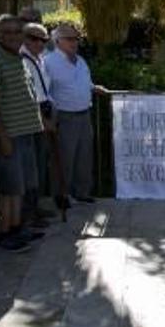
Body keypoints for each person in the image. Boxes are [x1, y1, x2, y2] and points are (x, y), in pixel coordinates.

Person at [0, 15, 45, 253]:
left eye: (17, 32)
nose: (12, 36)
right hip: (9, 137)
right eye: (6, 32)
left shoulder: (17, 58)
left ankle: (18, 228)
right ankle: (6, 232)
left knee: (21, 187)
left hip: (26, 133)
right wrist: (2, 137)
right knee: (9, 189)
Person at [45, 23, 108, 204]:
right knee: (64, 159)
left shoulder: (80, 61)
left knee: (84, 157)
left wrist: (94, 88)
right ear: (58, 41)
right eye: (69, 39)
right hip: (64, 117)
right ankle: (62, 195)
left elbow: (85, 84)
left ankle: (82, 192)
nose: (74, 42)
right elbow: (44, 91)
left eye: (76, 39)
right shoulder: (49, 62)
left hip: (84, 114)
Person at [20, 22, 55, 228]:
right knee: (31, 167)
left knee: (40, 165)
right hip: (34, 116)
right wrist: (43, 119)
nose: (40, 43)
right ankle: (28, 214)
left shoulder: (39, 59)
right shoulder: (22, 60)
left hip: (45, 112)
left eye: (43, 40)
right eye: (35, 39)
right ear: (25, 39)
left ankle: (36, 207)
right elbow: (29, 97)